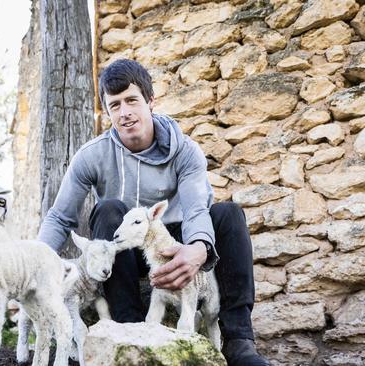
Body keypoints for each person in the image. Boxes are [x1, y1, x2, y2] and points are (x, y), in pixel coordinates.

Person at [37, 59, 270, 366]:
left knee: (228, 214)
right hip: (127, 247)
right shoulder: (91, 156)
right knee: (107, 209)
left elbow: (197, 208)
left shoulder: (185, 151)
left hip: (173, 240)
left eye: (132, 100)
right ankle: (129, 328)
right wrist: (34, 263)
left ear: (150, 101)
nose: (125, 113)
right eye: (115, 105)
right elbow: (59, 216)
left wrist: (198, 250)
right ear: (107, 112)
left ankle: (239, 341)